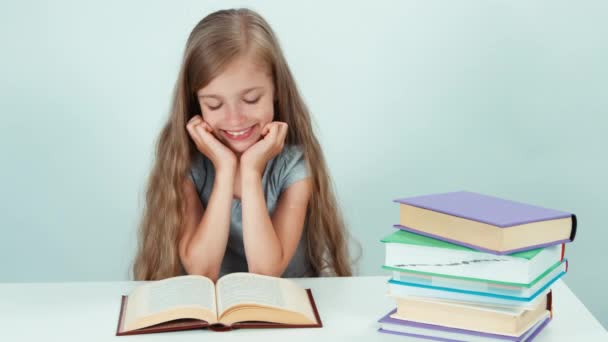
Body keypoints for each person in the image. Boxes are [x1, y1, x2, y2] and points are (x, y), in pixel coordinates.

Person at [133, 8, 354, 281]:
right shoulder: (186, 162)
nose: (234, 119)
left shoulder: (295, 165)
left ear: (276, 91)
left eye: (250, 100)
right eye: (214, 104)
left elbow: (266, 271)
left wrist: (250, 171)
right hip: (214, 315)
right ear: (195, 103)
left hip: (285, 310)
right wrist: (225, 169)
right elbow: (202, 270)